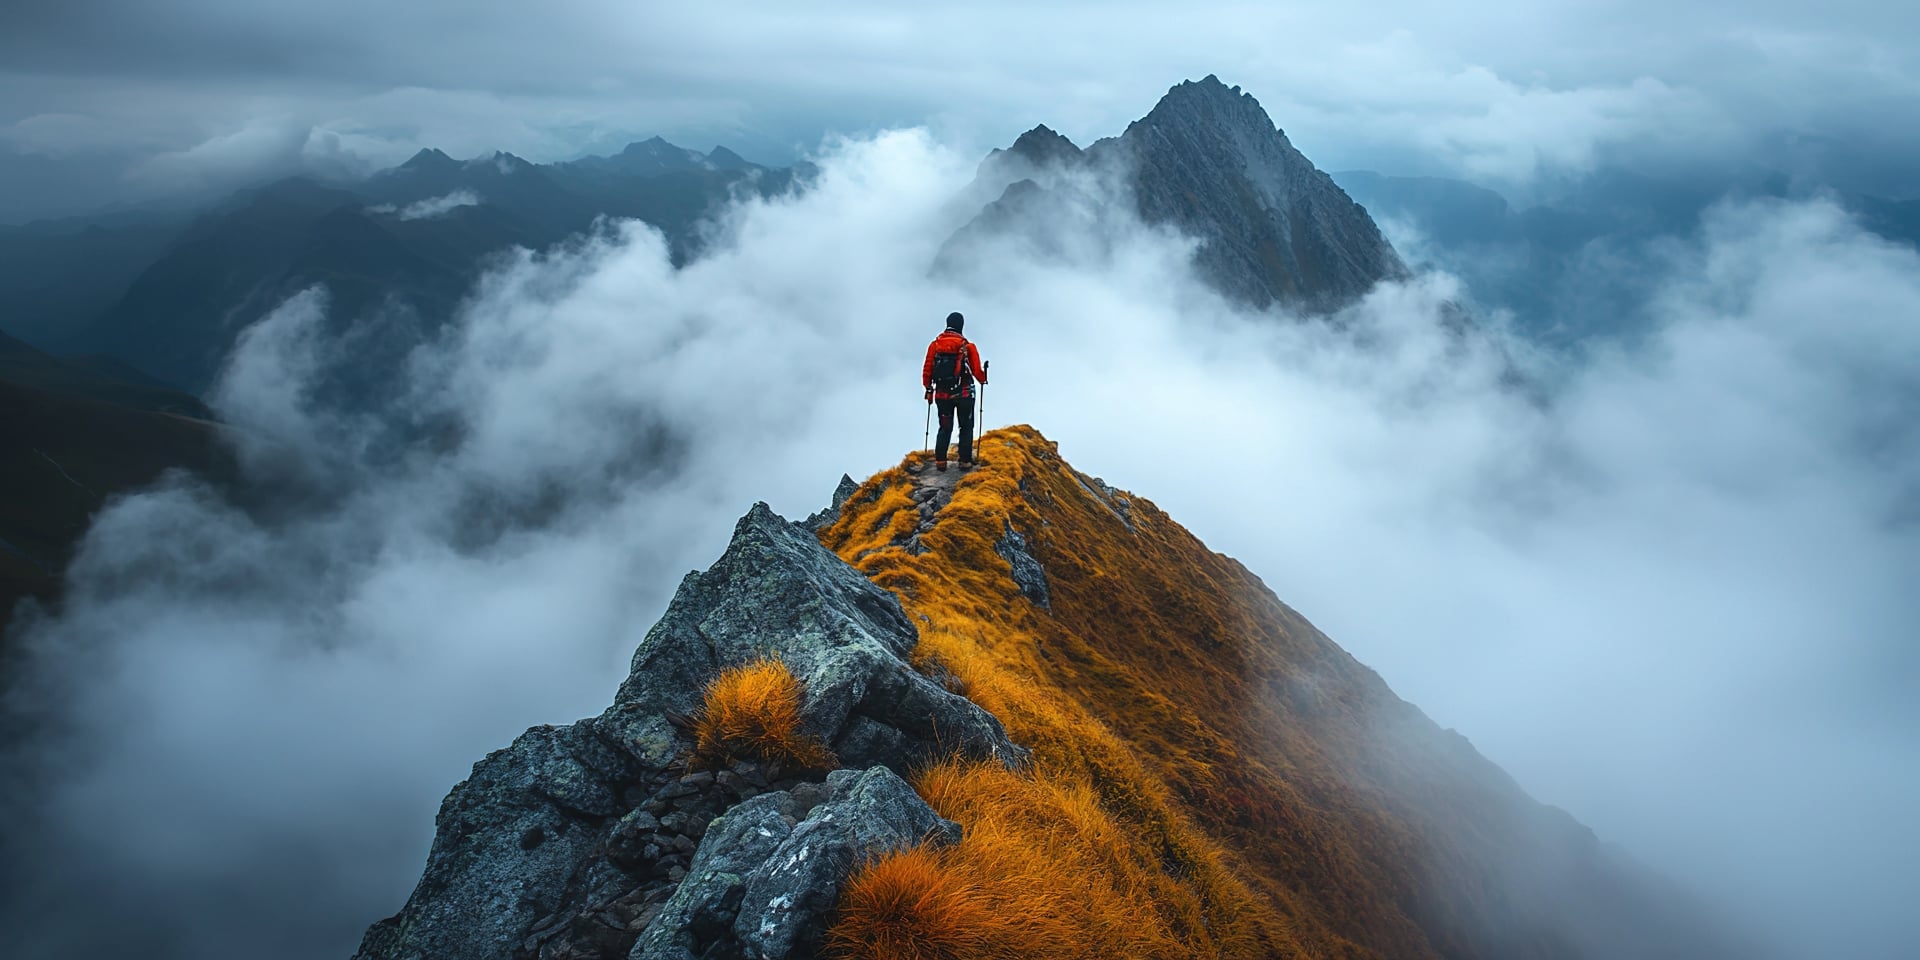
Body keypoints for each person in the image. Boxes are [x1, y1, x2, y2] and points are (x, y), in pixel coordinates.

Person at [922, 311, 987, 471]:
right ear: (961, 326)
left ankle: (940, 461)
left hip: (942, 395)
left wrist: (928, 388)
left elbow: (927, 369)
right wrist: (984, 378)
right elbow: (977, 372)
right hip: (964, 394)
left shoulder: (935, 346)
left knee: (944, 426)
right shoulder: (968, 346)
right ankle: (964, 461)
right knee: (965, 426)